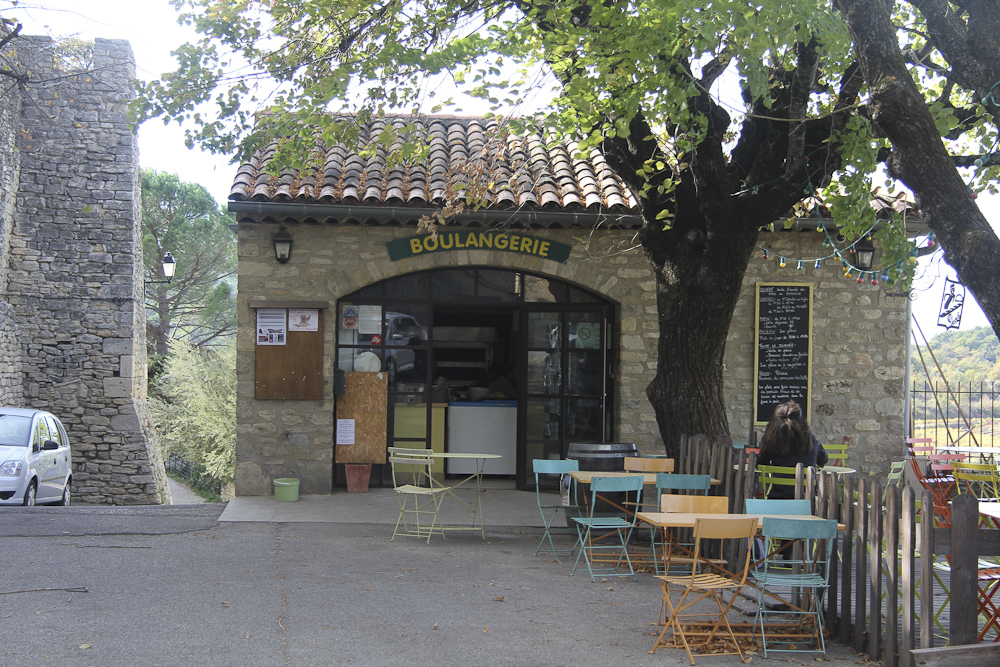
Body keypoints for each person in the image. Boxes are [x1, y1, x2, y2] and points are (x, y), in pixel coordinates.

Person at [757, 401, 828, 500]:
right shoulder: (811, 439)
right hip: (808, 497)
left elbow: (760, 463)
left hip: (779, 497)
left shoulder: (773, 439)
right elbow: (823, 459)